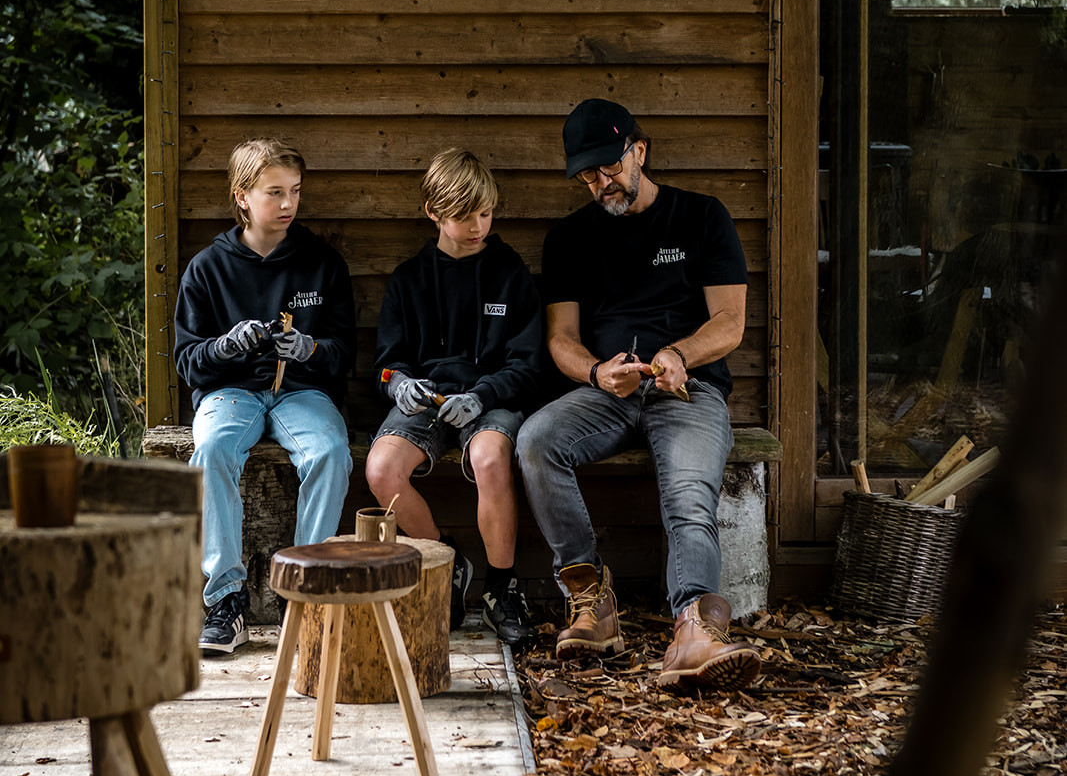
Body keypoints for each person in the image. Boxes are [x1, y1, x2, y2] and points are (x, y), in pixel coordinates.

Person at [515, 99, 761, 690]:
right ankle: (592, 604)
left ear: (639, 152)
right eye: (589, 175)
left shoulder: (702, 217)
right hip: (609, 391)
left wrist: (679, 355)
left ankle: (696, 629)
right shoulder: (570, 237)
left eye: (610, 167)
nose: (602, 183)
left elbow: (730, 321)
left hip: (688, 390)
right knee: (535, 440)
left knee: (687, 495)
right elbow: (561, 339)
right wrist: (598, 372)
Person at [174, 138, 356, 654]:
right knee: (210, 450)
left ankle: (306, 592)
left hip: (302, 393)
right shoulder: (208, 268)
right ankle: (225, 602)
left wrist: (310, 348)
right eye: (274, 192)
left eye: (295, 191)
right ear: (242, 197)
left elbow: (345, 354)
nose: (288, 204)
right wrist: (225, 346)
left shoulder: (322, 262)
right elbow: (188, 360)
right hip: (231, 393)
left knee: (329, 452)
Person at [367, 148, 542, 647]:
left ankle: (502, 589)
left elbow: (528, 366)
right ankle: (447, 562)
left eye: (485, 213)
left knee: (489, 458)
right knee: (381, 470)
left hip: (491, 397)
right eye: (465, 217)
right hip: (426, 402)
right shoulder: (408, 279)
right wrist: (400, 383)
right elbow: (385, 363)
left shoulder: (510, 273)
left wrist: (484, 393)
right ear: (433, 213)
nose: (478, 226)